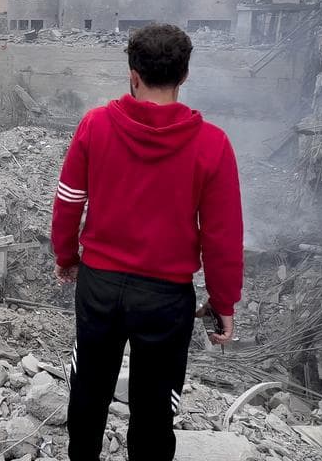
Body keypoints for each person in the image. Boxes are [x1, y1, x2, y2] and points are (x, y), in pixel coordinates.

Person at [51, 23, 243, 461]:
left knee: (89, 387)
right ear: (185, 75)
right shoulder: (212, 144)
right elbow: (223, 235)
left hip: (99, 286)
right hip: (165, 299)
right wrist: (223, 302)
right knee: (155, 405)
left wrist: (66, 255)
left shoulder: (95, 124)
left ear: (132, 73)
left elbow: (69, 200)